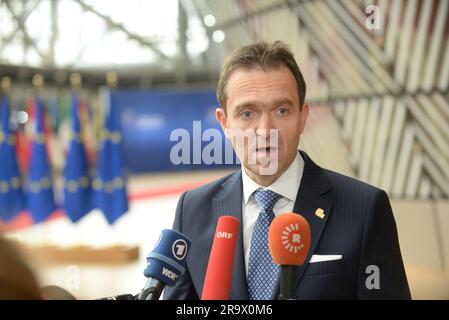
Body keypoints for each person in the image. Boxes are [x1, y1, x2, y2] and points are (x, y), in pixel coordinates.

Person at [163, 41, 411, 300]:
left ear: (303, 117)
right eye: (247, 113)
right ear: (224, 123)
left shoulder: (364, 209)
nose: (265, 130)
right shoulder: (191, 210)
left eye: (281, 111)